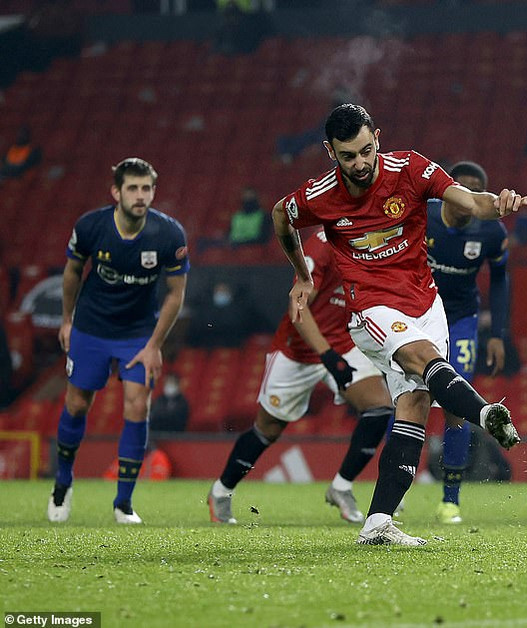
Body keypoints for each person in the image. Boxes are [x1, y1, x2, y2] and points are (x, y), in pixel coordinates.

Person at [272, 103, 526, 546]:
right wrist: (303, 274)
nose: (360, 163)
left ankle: (377, 523)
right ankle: (485, 413)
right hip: (373, 310)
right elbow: (280, 215)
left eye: (366, 150)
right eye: (348, 156)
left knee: (414, 409)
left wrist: (498, 204)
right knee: (422, 359)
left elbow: (470, 202)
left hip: (427, 304)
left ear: (377, 138)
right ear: (330, 152)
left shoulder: (410, 169)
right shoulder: (319, 196)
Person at [207, 229, 394, 525]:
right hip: (297, 351)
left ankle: (341, 486)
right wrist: (328, 357)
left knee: (380, 407)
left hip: (345, 344)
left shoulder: (378, 241)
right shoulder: (322, 246)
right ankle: (221, 491)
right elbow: (297, 307)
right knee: (267, 429)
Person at [47, 157, 189, 524]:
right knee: (77, 404)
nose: (140, 196)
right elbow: (72, 272)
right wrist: (67, 321)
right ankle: (62, 483)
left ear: (153, 192)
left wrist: (154, 344)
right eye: (133, 188)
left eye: (146, 189)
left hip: (138, 333)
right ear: (116, 192)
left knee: (137, 407)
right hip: (91, 328)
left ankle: (123, 503)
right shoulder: (91, 226)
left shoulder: (169, 235)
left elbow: (175, 294)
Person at [425, 160, 511, 524]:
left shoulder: (491, 233)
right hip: (419, 316)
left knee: (456, 404)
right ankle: (396, 490)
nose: (465, 198)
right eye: (459, 189)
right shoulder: (421, 215)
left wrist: (497, 334)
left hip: (461, 320)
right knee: (404, 398)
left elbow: (502, 281)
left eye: (475, 192)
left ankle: (451, 499)